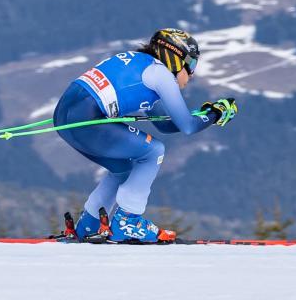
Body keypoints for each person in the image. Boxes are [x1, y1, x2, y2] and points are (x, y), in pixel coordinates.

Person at [52, 28, 237, 243]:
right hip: (85, 120)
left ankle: (88, 224)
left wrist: (201, 115)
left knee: (124, 169)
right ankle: (128, 221)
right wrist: (217, 113)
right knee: (153, 151)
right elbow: (187, 126)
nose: (192, 74)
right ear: (176, 58)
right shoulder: (161, 74)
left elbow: (166, 125)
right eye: (192, 64)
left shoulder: (142, 65)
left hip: (64, 118)